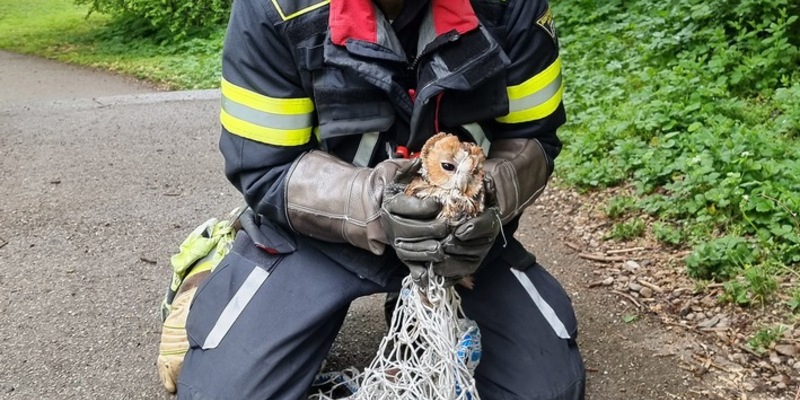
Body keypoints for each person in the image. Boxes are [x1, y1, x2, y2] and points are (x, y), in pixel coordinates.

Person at [176, 0, 586, 398]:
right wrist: (381, 205)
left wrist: (485, 200)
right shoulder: (274, 7)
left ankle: (413, 304)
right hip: (318, 236)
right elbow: (266, 167)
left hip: (461, 246)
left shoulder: (510, 5)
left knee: (551, 390)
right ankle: (209, 266)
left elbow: (534, 139)